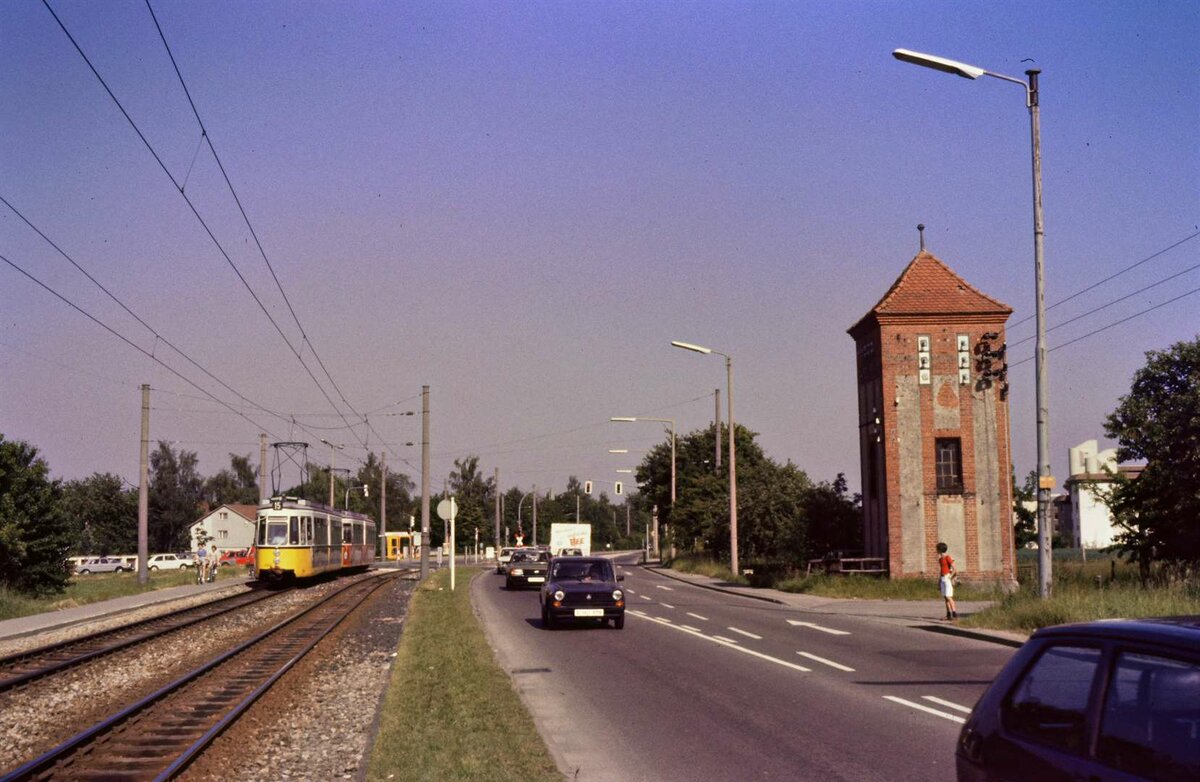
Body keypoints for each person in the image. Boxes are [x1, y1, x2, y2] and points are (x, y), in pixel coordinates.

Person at [937, 542, 958, 620]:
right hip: (942, 579)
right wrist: (939, 582)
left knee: (949, 597)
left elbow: (955, 569)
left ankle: (955, 614)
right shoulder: (940, 559)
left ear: (939, 549)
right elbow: (941, 571)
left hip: (947, 578)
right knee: (945, 597)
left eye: (937, 549)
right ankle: (948, 614)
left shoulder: (947, 557)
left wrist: (950, 576)